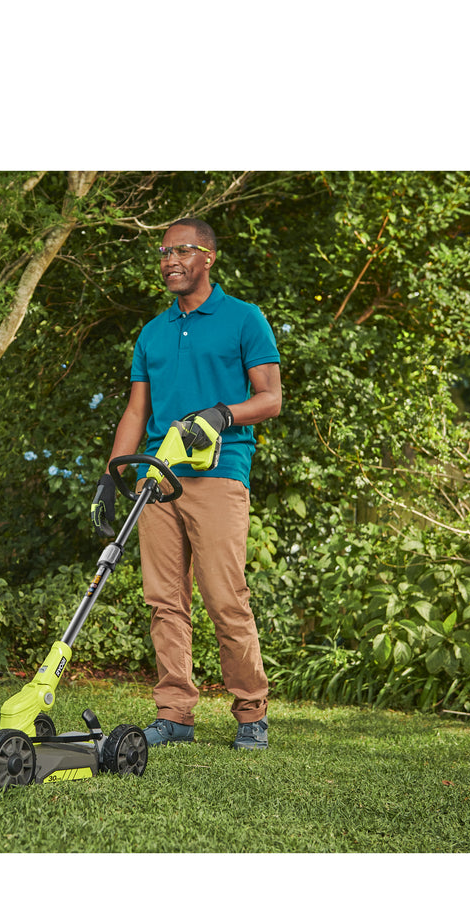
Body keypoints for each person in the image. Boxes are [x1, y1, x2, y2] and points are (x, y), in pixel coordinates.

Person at [90, 218, 282, 750]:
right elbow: (137, 410)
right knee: (164, 601)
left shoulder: (244, 318)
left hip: (218, 476)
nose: (170, 260)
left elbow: (270, 398)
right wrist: (111, 474)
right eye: (164, 252)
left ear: (208, 257)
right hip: (156, 478)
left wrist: (223, 414)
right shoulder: (153, 332)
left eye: (182, 250)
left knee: (225, 598)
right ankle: (175, 714)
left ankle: (251, 712)